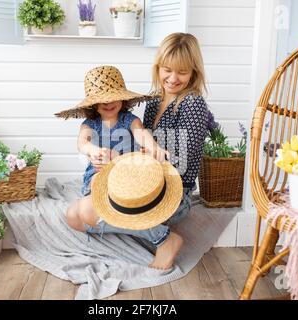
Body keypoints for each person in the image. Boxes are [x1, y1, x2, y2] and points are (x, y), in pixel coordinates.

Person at [81, 33, 217, 270]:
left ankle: (166, 240)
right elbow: (140, 147)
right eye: (167, 69)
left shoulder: (193, 104)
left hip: (171, 192)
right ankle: (157, 235)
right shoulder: (154, 100)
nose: (173, 78)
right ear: (158, 67)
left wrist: (137, 160)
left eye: (182, 72)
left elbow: (179, 165)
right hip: (144, 183)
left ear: (194, 72)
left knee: (84, 211)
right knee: (76, 215)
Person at [55, 65, 168, 237]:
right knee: (94, 184)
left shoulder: (130, 120)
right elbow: (81, 142)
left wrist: (153, 146)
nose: (109, 103)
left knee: (113, 184)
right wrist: (91, 149)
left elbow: (142, 134)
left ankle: (120, 205)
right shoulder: (90, 124)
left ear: (123, 99)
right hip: (98, 175)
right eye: (103, 100)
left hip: (126, 174)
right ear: (93, 105)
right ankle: (103, 203)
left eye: (114, 98)